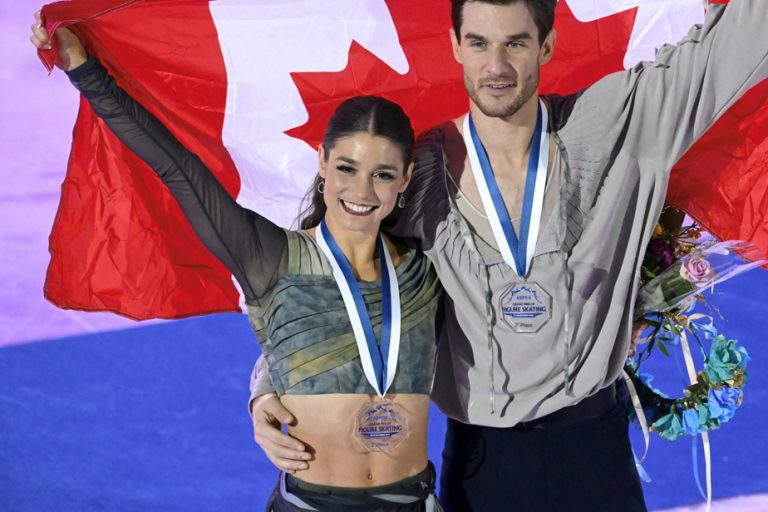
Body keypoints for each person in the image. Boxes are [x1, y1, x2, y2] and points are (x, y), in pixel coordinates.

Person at [249, 0, 768, 510]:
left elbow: (736, 40)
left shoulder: (615, 126)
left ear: (546, 44)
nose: (496, 66)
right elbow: (332, 279)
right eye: (478, 43)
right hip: (483, 462)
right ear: (455, 45)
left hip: (594, 448)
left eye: (515, 43)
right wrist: (268, 385)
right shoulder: (416, 176)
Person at [31, 16, 445, 512]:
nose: (360, 191)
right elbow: (176, 168)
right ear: (321, 162)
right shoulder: (269, 256)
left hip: (415, 502)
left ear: (406, 179)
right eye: (346, 168)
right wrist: (84, 70)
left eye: (382, 174)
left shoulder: (426, 269)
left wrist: (262, 391)